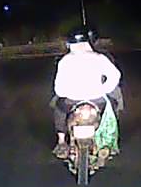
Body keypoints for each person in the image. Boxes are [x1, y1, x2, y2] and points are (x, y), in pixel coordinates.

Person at [51, 26, 124, 157]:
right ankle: (109, 141)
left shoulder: (65, 61)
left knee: (59, 108)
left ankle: (61, 141)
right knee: (113, 107)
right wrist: (104, 89)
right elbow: (115, 76)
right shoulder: (99, 57)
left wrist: (67, 93)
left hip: (72, 101)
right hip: (98, 100)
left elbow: (59, 88)